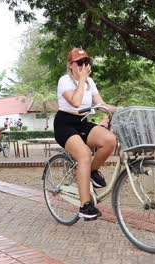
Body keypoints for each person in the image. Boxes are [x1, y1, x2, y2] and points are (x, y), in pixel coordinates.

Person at [54, 47, 117, 220]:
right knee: (84, 154)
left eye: (86, 62)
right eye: (79, 62)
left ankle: (90, 171)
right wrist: (82, 80)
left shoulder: (91, 82)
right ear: (71, 65)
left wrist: (120, 109)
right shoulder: (64, 81)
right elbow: (75, 102)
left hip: (82, 122)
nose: (83, 65)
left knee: (110, 140)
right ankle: (85, 206)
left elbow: (101, 104)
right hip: (65, 124)